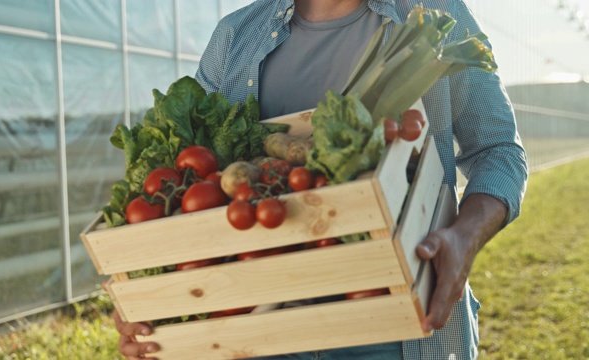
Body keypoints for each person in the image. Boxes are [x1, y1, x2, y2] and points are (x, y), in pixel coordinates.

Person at [112, 0, 528, 359]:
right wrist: (150, 295)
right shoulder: (236, 37)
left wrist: (464, 237)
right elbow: (191, 178)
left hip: (398, 327)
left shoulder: (432, 14)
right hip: (259, 330)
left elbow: (498, 151)